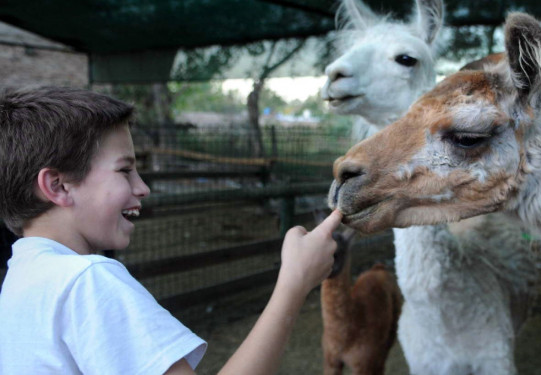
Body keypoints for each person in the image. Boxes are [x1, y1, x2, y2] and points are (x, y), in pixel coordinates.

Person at [0, 86, 341, 374]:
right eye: (125, 171)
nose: (143, 187)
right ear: (58, 186)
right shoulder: (84, 281)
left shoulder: (22, 278)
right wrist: (295, 283)